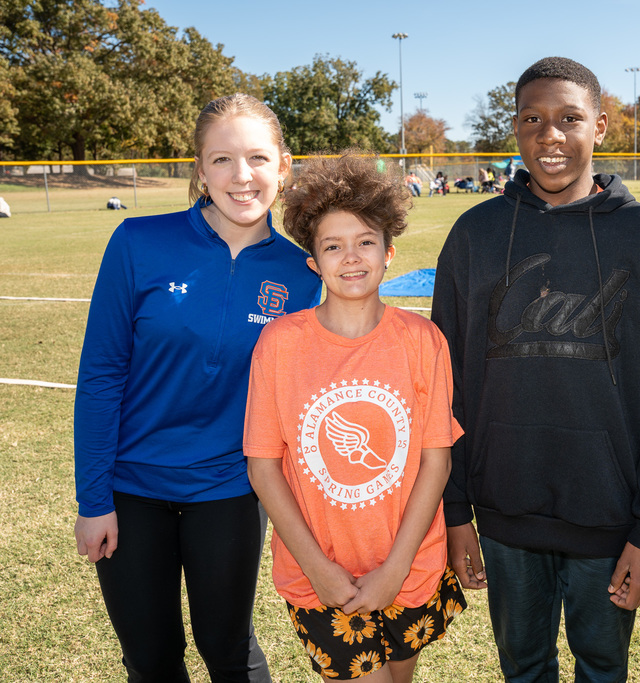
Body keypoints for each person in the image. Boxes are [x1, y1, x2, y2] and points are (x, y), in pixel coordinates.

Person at [431, 56, 640, 682]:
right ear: (515, 128)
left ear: (600, 126)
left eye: (569, 119)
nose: (550, 136)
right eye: (533, 119)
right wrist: (457, 510)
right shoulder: (475, 234)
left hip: (608, 517)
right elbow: (446, 388)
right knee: (522, 668)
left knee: (602, 668)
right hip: (505, 512)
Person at [73, 93, 323, 682]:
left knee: (228, 650)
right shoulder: (137, 242)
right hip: (132, 491)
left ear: (283, 167)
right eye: (221, 160)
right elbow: (101, 376)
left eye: (258, 158)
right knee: (152, 658)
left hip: (230, 491)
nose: (242, 177)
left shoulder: (303, 272)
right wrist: (94, 500)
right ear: (199, 169)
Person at [244, 151, 465, 682]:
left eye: (365, 241)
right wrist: (318, 568)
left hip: (408, 567)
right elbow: (264, 467)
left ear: (389, 253)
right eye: (333, 246)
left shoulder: (423, 341)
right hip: (321, 575)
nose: (351, 257)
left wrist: (394, 569)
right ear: (313, 262)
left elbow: (436, 463)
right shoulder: (279, 344)